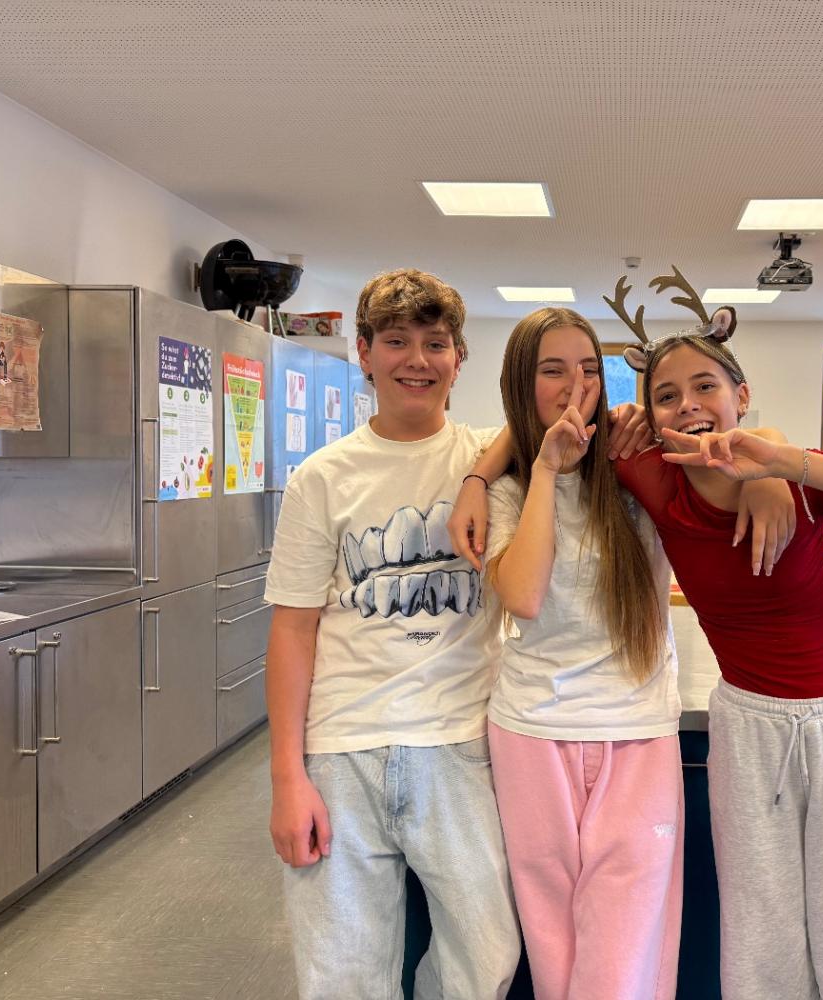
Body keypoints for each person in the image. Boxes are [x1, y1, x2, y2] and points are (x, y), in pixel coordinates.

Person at [264, 271, 649, 999]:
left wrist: (477, 475)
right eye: (396, 342)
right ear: (364, 352)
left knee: (488, 952)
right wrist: (288, 776)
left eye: (435, 343)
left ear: (459, 357)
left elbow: (548, 422)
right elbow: (292, 629)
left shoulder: (491, 460)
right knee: (342, 971)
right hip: (342, 748)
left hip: (459, 741)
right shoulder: (322, 477)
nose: (417, 360)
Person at [449, 307, 795, 1000]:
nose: (575, 386)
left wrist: (766, 474)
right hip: (531, 731)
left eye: (588, 369)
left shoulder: (637, 463)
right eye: (552, 370)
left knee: (625, 948)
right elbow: (523, 594)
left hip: (635, 728)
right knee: (552, 939)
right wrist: (540, 471)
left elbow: (742, 437)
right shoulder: (509, 486)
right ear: (522, 384)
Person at [613, 310, 823, 1000]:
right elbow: (550, 426)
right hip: (748, 729)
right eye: (666, 395)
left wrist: (777, 460)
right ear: (651, 417)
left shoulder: (796, 477)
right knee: (760, 945)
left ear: (741, 395)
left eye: (705, 386)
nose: (688, 404)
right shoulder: (653, 475)